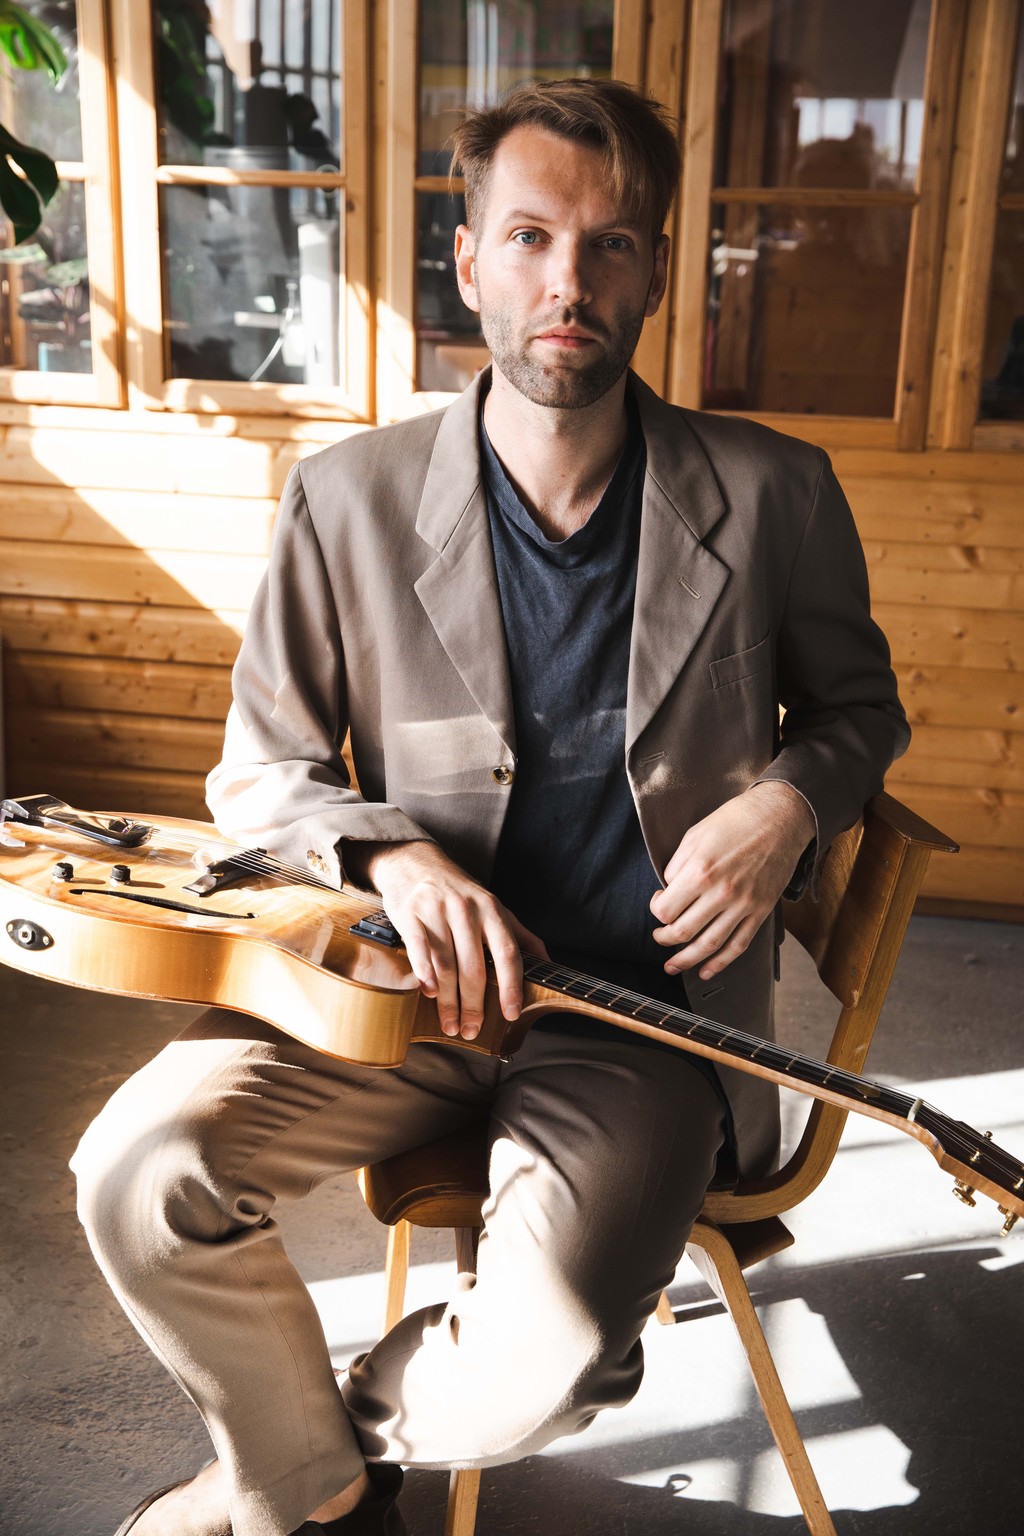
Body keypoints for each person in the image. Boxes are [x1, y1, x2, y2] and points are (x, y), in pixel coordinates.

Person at [72, 79, 909, 1536]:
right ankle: (314, 1490)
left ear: (656, 271)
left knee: (557, 1365)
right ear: (468, 262)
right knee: (136, 1177)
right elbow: (260, 771)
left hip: (644, 1022)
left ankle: (282, 1469)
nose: (566, 282)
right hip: (394, 997)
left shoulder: (778, 492)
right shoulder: (343, 497)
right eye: (529, 237)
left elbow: (862, 716)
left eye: (609, 244)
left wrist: (788, 802)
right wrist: (391, 858)